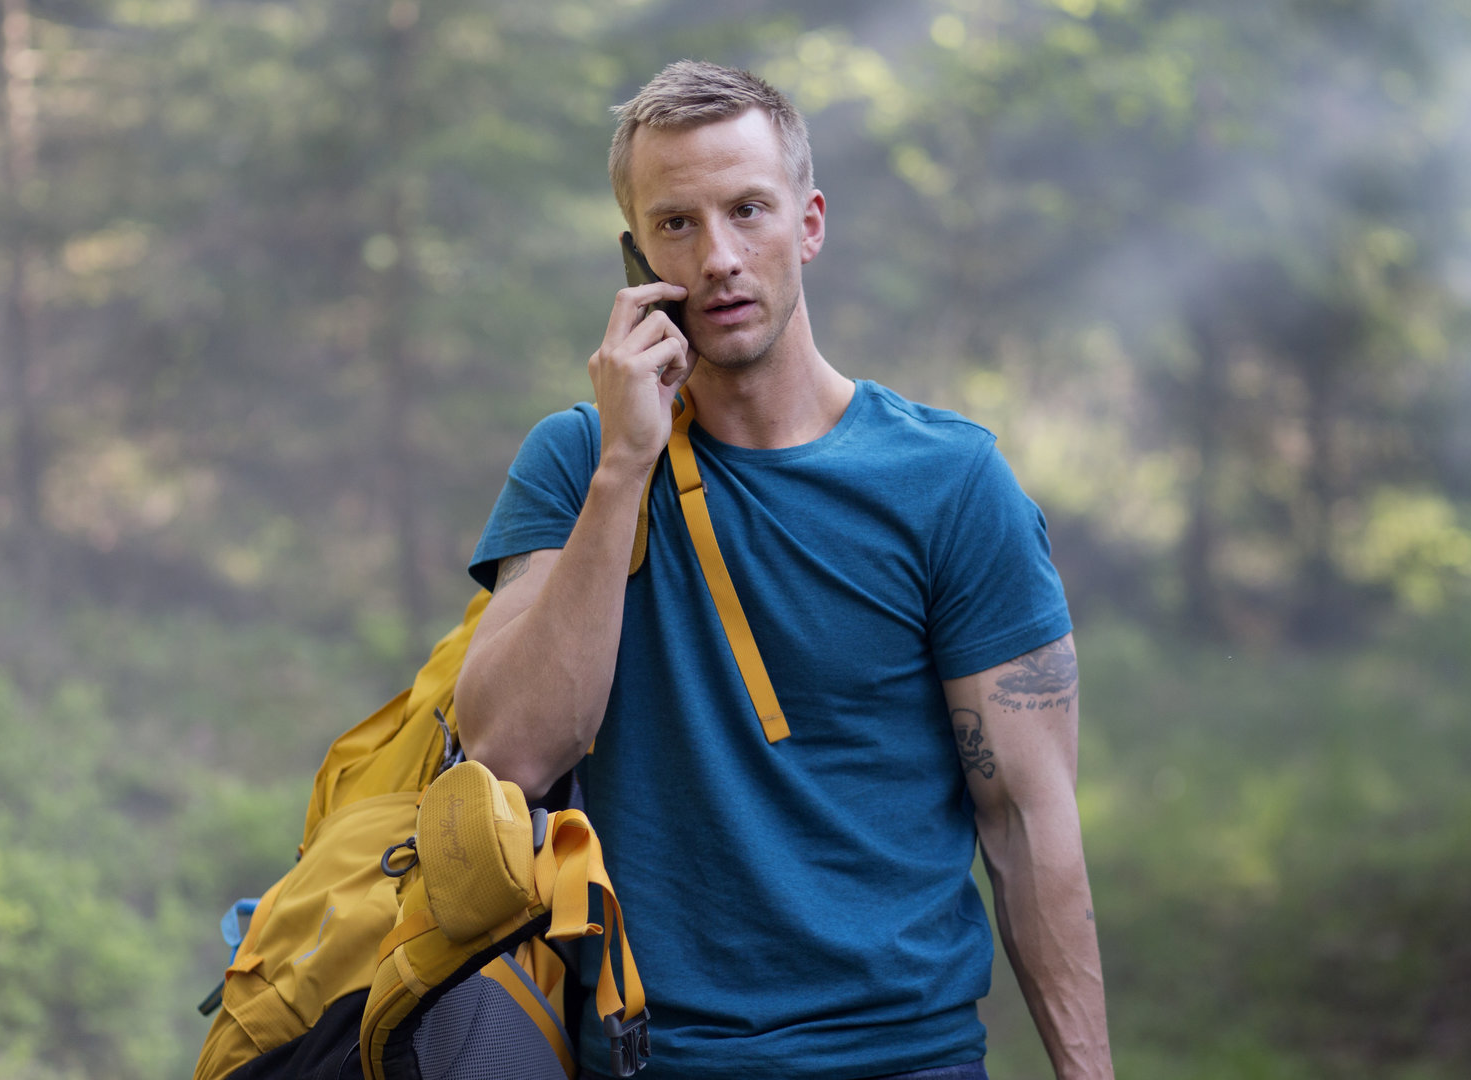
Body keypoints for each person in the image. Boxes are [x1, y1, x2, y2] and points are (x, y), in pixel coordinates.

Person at [452, 60, 1113, 1080]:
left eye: (746, 210)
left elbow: (1028, 824)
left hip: (905, 1056)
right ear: (637, 256)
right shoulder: (579, 463)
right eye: (676, 224)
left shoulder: (949, 482)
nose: (716, 256)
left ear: (807, 224)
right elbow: (509, 751)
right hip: (655, 1058)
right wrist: (627, 464)